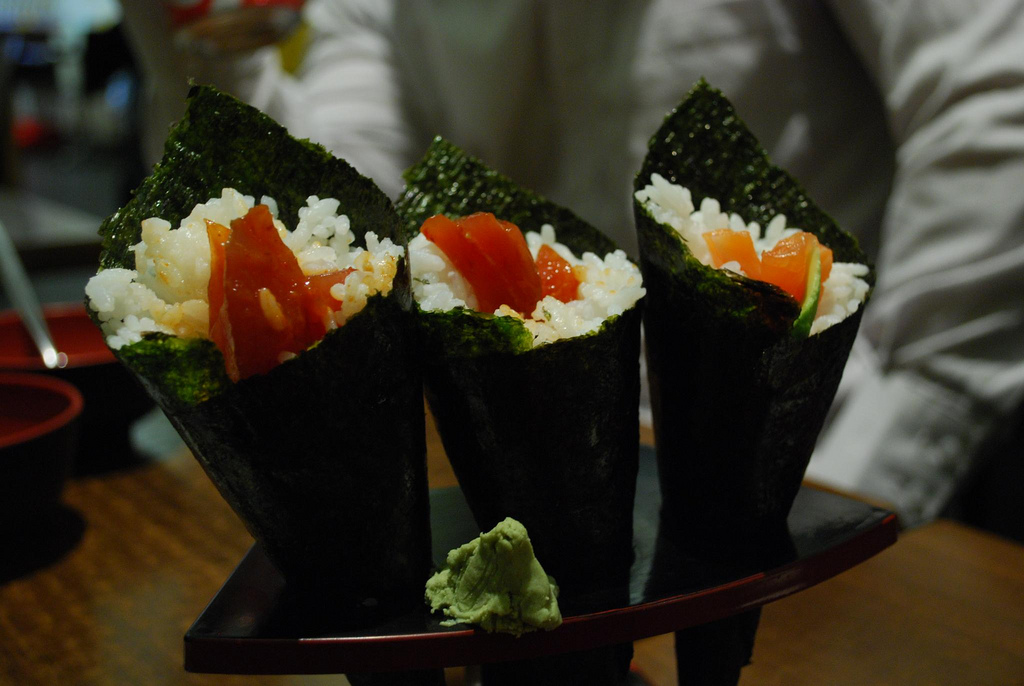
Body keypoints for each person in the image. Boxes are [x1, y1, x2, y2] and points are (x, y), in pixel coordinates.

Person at [118, 0, 1024, 529]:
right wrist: (205, 39)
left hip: (836, 449)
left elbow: (996, 101)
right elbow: (345, 202)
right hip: (534, 473)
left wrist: (882, 470)